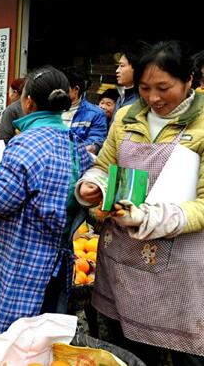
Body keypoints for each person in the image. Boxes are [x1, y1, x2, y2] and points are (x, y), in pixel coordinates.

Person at [76, 41, 204, 365]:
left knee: (185, 352)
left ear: (189, 80)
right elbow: (104, 166)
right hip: (122, 258)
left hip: (179, 266)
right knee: (127, 350)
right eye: (145, 88)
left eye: (164, 87)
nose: (154, 98)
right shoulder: (125, 117)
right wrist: (93, 186)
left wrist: (148, 216)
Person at [0, 66, 93, 332]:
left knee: (14, 336)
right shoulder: (76, 144)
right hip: (59, 261)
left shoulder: (25, 143)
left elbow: (0, 200)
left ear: (28, 102)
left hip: (23, 260)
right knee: (46, 336)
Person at [61, 67, 108, 153]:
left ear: (76, 89)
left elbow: (96, 140)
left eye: (62, 88)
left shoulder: (95, 114)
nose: (58, 91)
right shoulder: (49, 109)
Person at [112, 45, 141, 120]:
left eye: (122, 66)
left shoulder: (141, 101)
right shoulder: (122, 95)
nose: (117, 71)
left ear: (137, 68)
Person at [0, 78, 26, 144]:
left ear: (15, 92)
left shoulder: (11, 109)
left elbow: (3, 138)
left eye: (9, 91)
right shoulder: (35, 106)